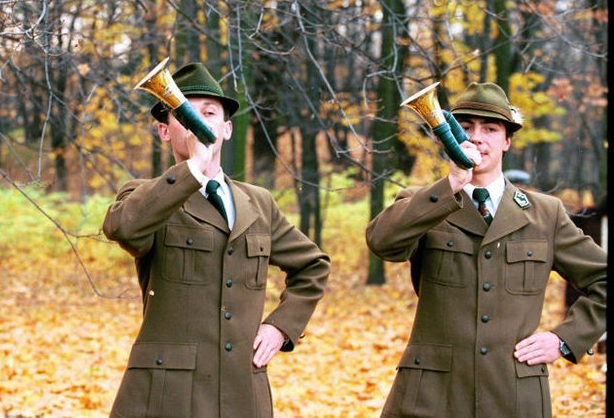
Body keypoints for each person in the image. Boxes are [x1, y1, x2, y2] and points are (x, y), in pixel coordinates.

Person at [103, 62, 331, 418]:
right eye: (186, 115)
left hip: (243, 392)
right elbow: (125, 229)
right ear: (165, 131)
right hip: (168, 396)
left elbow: (313, 266)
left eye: (209, 113)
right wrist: (193, 168)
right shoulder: (146, 196)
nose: (199, 122)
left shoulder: (258, 202)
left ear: (226, 129)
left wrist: (281, 326)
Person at [366, 82, 606, 417]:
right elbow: (382, 243)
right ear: (451, 136)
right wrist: (451, 185)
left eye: (490, 129)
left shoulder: (546, 214)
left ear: (507, 141)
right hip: (430, 397)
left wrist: (565, 339)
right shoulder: (423, 202)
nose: (477, 137)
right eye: (466, 127)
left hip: (513, 396)